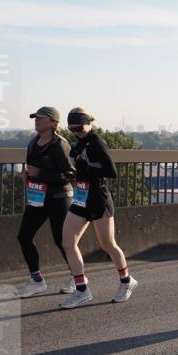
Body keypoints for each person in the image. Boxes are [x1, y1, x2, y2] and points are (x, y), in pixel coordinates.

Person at [59, 108, 138, 308]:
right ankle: (82, 290)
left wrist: (88, 169)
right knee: (68, 242)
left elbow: (111, 171)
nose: (76, 131)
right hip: (81, 197)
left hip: (98, 198)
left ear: (88, 123)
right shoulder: (79, 144)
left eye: (79, 127)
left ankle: (126, 281)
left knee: (108, 244)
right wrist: (73, 174)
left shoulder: (96, 142)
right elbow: (81, 168)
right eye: (71, 128)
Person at [17, 106, 76, 298]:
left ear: (52, 122)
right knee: (24, 236)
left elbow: (70, 175)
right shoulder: (33, 143)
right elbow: (32, 169)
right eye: (35, 118)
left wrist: (41, 174)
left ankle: (77, 277)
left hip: (59, 197)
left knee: (62, 240)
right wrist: (26, 175)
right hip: (38, 197)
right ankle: (37, 281)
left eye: (41, 118)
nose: (36, 120)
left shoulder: (61, 145)